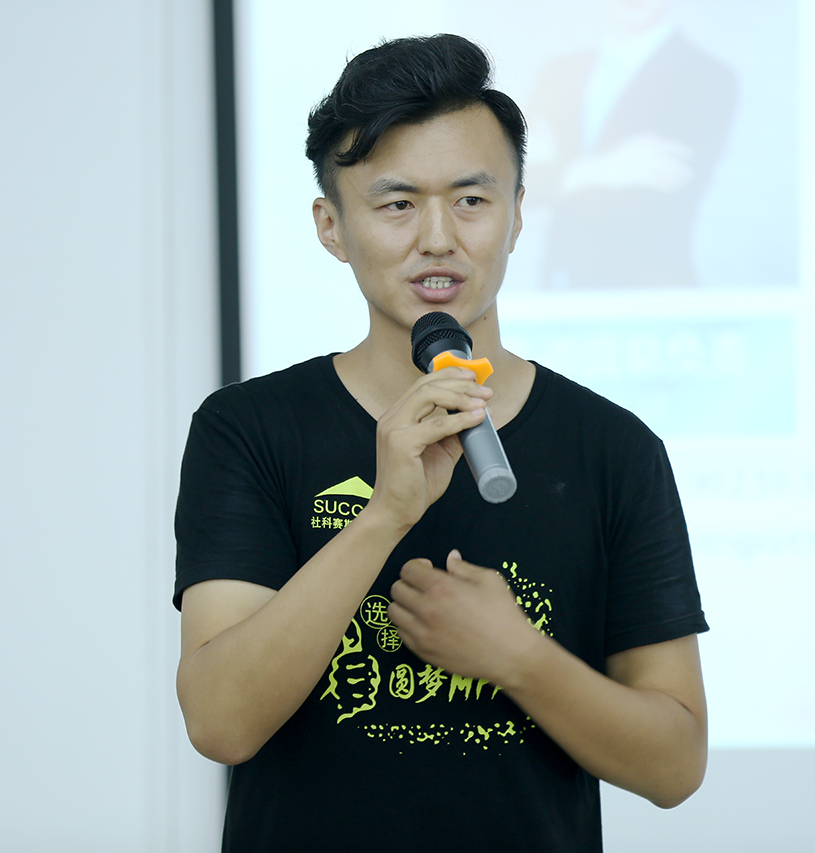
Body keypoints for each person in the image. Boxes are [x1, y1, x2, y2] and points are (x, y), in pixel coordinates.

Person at [173, 34, 707, 852]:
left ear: (518, 212)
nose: (437, 238)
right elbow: (220, 721)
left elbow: (674, 765)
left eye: (471, 200)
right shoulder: (248, 429)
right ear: (331, 225)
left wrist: (518, 655)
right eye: (397, 205)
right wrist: (384, 514)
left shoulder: (613, 448)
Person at [526, 0, 737, 288]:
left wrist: (562, 173)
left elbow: (660, 188)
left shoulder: (707, 76)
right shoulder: (558, 71)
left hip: (650, 288)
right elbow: (522, 185)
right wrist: (605, 169)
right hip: (559, 286)